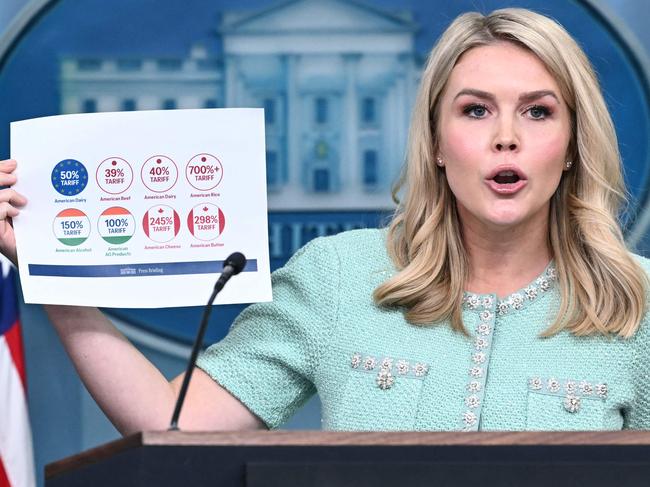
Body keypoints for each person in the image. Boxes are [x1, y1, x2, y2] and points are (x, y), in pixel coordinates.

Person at [1, 7, 649, 433]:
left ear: (571, 147)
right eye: (476, 110)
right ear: (436, 143)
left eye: (537, 111)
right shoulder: (341, 277)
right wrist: (49, 269)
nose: (505, 137)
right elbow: (169, 421)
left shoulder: (640, 304)